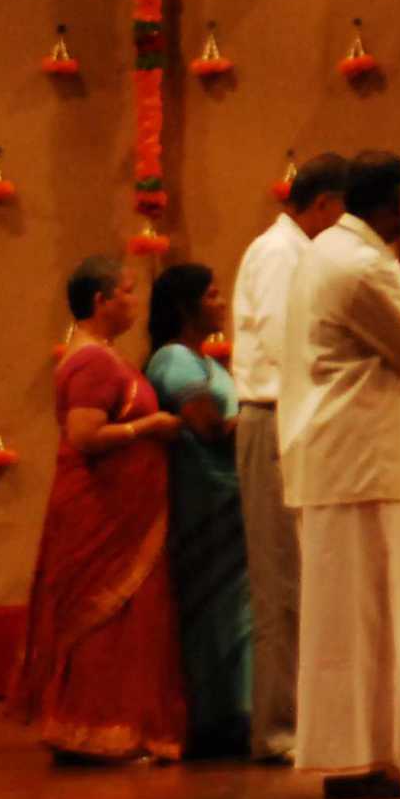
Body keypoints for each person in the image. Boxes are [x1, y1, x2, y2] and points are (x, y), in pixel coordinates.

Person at [280, 152, 400, 799]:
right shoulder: (359, 265)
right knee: (360, 619)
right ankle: (358, 760)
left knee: (360, 618)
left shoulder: (332, 251)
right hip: (355, 459)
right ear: (389, 206)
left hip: (349, 459)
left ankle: (368, 755)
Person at [9, 257, 188, 764]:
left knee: (130, 620)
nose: (135, 301)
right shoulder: (91, 362)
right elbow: (84, 435)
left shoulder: (106, 356)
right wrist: (149, 427)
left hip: (123, 513)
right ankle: (92, 730)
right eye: (127, 291)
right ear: (100, 301)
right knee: (103, 619)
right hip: (99, 512)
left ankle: (122, 727)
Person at [228, 150, 347, 763]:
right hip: (274, 417)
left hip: (296, 418)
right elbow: (286, 343)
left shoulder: (298, 252)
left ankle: (303, 718)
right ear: (322, 204)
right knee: (280, 584)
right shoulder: (278, 254)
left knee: (303, 579)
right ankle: (277, 727)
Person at [148, 263, 252, 761]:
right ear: (185, 306)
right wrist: (263, 417)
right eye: (211, 295)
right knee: (215, 612)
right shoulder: (173, 359)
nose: (222, 302)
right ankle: (217, 720)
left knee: (239, 611)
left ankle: (238, 712)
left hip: (229, 497)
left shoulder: (204, 360)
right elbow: (208, 426)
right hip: (204, 501)